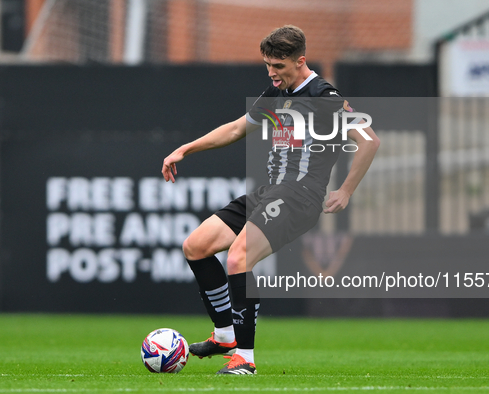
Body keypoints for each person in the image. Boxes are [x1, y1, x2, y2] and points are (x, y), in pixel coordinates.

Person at [161, 25, 379, 375]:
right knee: (196, 246)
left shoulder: (323, 95)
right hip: (270, 191)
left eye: (278, 66)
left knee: (238, 256)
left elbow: (369, 140)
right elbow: (235, 129)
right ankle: (224, 336)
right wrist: (186, 149)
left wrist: (346, 190)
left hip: (299, 196)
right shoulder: (277, 93)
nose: (272, 73)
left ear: (300, 61)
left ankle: (244, 360)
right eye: (268, 65)